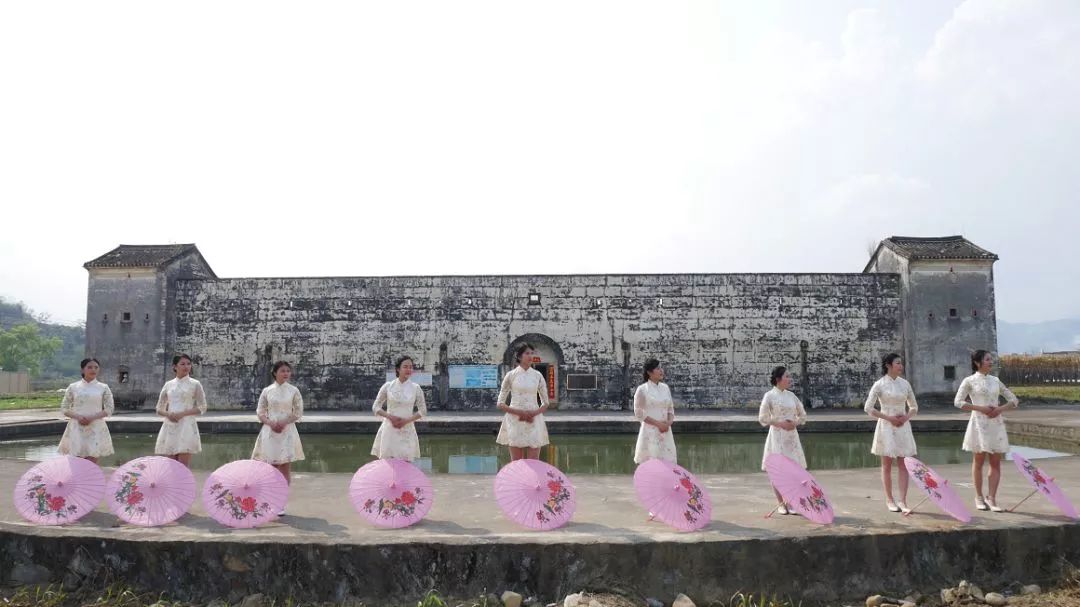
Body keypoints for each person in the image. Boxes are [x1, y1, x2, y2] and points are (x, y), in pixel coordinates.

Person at [954, 349, 1019, 512]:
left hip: (995, 423)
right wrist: (980, 408)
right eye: (988, 359)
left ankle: (992, 498)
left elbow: (1014, 400)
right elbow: (958, 402)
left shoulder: (995, 380)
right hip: (979, 423)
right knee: (978, 461)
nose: (991, 362)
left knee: (996, 462)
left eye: (991, 359)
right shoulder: (969, 381)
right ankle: (979, 497)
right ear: (978, 362)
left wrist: (1000, 409)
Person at [864, 353, 918, 513]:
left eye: (901, 363)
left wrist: (906, 417)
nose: (901, 366)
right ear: (888, 365)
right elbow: (868, 408)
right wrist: (888, 418)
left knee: (904, 464)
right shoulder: (879, 384)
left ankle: (903, 501)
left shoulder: (905, 384)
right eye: (898, 363)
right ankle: (890, 499)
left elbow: (914, 407)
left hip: (903, 426)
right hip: (886, 426)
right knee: (886, 465)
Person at [758, 365, 807, 514]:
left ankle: (791, 502)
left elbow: (803, 415)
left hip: (791, 437)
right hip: (777, 436)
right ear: (778, 379)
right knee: (777, 471)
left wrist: (794, 424)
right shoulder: (769, 396)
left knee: (793, 470)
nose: (789, 379)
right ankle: (780, 503)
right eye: (787, 376)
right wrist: (779, 423)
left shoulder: (792, 396)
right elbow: (762, 418)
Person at [495, 343, 550, 460]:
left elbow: (546, 403)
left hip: (533, 419)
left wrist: (533, 414)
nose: (530, 356)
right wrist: (519, 412)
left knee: (534, 461)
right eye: (527, 353)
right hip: (515, 419)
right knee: (516, 462)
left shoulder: (537, 375)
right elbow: (500, 403)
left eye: (532, 353)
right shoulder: (510, 375)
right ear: (519, 357)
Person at [154, 354, 208, 467]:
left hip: (187, 425)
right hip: (170, 425)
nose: (186, 366)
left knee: (183, 467)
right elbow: (159, 408)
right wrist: (168, 414)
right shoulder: (168, 385)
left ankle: (184, 485)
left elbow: (203, 407)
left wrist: (182, 414)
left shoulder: (195, 384)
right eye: (182, 364)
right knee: (171, 466)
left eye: (188, 364)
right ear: (175, 366)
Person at [57, 358, 115, 463]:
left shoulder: (103, 387)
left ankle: (91, 479)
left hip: (95, 426)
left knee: (92, 460)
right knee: (76, 460)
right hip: (77, 426)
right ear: (82, 370)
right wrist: (78, 417)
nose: (93, 370)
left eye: (96, 367)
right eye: (89, 367)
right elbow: (64, 407)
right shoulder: (73, 387)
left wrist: (92, 417)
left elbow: (110, 408)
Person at [371, 355, 427, 461]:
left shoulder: (416, 388)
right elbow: (376, 406)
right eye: (405, 366)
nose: (409, 369)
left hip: (407, 430)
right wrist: (390, 417)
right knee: (388, 465)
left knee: (405, 466)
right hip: (390, 429)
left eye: (411, 367)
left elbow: (423, 411)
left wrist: (406, 421)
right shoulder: (388, 386)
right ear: (398, 369)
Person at [633, 358, 676, 464]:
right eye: (657, 368)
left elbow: (670, 408)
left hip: (665, 430)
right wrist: (658, 424)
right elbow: (638, 412)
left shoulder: (665, 388)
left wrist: (668, 423)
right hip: (650, 431)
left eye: (661, 368)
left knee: (668, 463)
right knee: (651, 464)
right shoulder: (642, 389)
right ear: (649, 372)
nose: (661, 371)